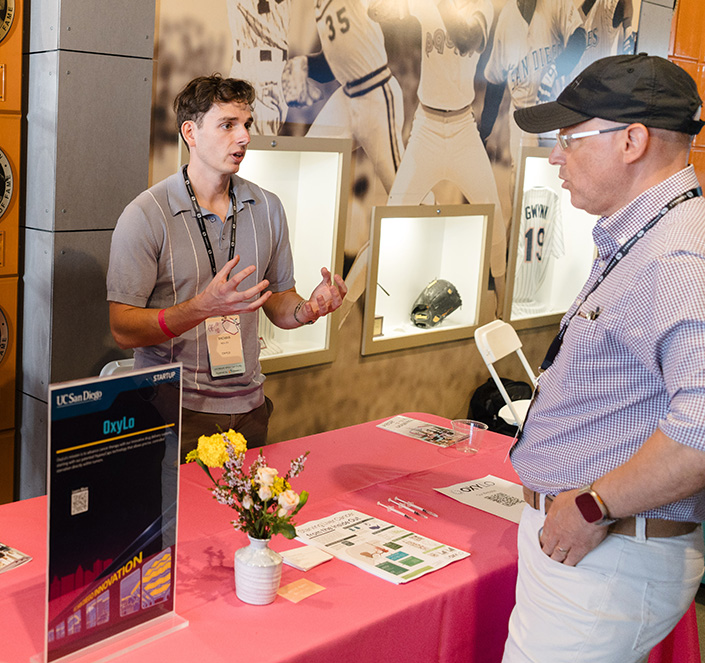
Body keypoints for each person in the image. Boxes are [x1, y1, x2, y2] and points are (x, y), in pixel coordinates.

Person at [503, 53, 705, 662]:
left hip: (604, 559)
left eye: (570, 138)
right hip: (598, 557)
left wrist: (593, 504)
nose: (555, 157)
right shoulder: (648, 236)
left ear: (632, 140)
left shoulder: (674, 260)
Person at [107, 75, 347, 461]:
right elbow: (122, 328)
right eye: (227, 125)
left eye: (246, 125)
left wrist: (307, 310)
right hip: (174, 412)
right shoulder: (146, 215)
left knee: (247, 521)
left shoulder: (267, 208)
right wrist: (203, 307)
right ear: (191, 132)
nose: (244, 137)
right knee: (184, 523)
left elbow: (278, 299)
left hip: (250, 410)